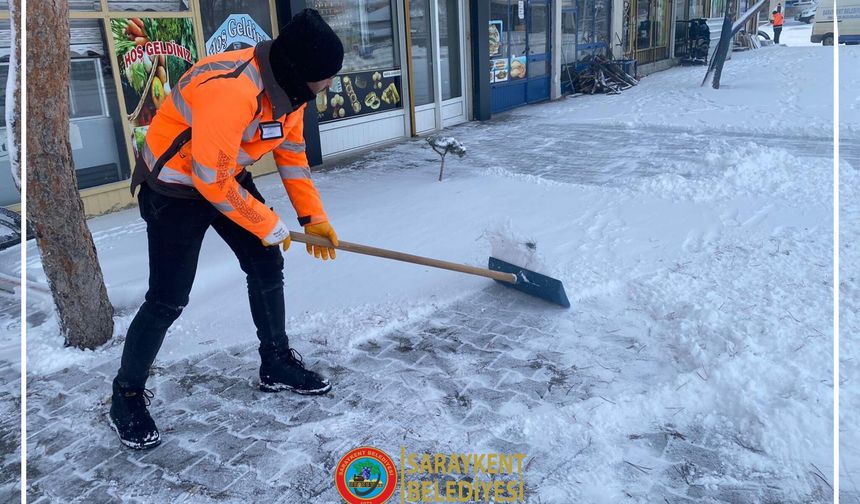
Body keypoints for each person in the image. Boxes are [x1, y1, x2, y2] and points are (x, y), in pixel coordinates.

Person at [108, 9, 344, 450]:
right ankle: (126, 396)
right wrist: (268, 222)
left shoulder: (290, 92)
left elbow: (291, 153)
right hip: (175, 188)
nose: (328, 84)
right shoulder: (234, 89)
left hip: (223, 173)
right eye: (326, 77)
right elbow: (207, 180)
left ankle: (275, 362)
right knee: (168, 297)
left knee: (265, 261)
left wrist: (313, 217)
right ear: (299, 71)